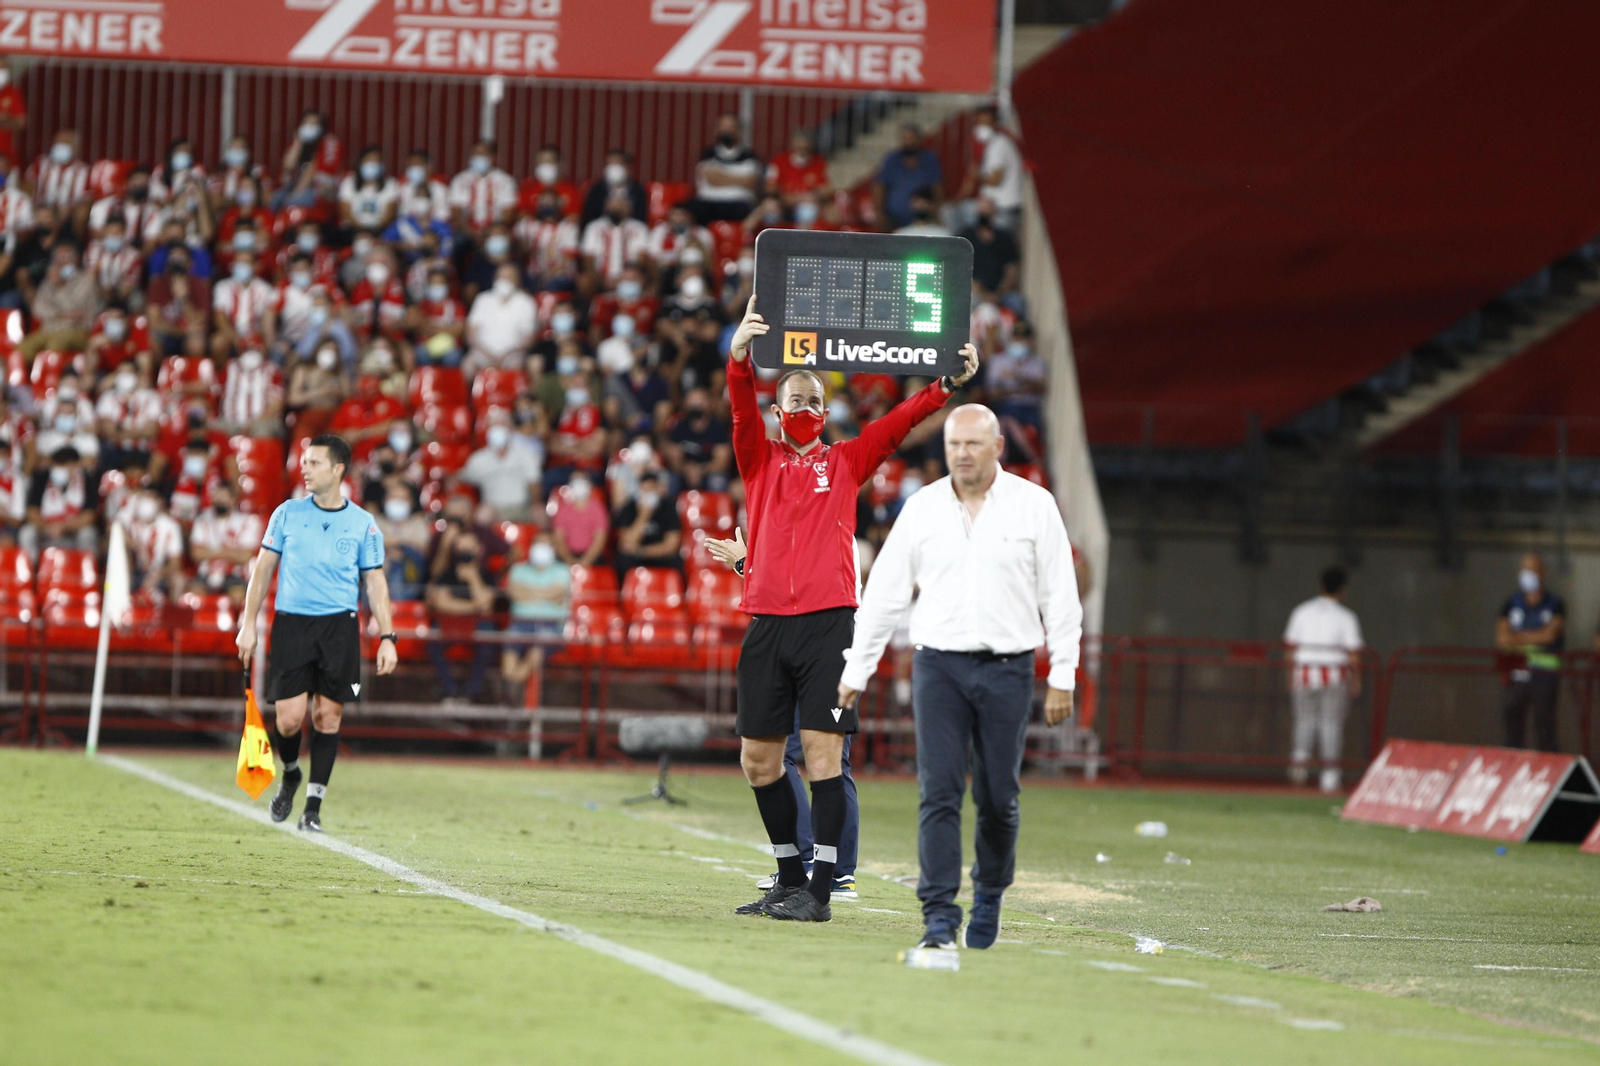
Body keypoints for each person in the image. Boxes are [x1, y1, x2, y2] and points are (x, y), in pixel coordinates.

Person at [725, 294, 978, 923]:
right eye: (796, 400)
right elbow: (737, 409)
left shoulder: (845, 462)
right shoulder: (758, 461)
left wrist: (943, 386)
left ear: (826, 411)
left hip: (830, 626)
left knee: (821, 757)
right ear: (777, 412)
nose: (807, 409)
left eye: (816, 401)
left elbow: (897, 424)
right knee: (758, 761)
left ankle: (820, 892)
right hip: (766, 627)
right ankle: (789, 877)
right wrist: (737, 360)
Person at [838, 404, 1080, 951]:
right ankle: (939, 916)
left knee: (998, 796)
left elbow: (1060, 595)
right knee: (938, 791)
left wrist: (1063, 670)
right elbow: (885, 594)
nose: (963, 454)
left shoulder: (1034, 506)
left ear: (998, 447)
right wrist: (858, 668)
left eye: (973, 444)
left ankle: (990, 891)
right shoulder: (921, 508)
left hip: (1008, 667)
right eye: (954, 445)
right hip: (938, 666)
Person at [236, 434, 397, 833]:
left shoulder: (363, 524)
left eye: (314, 463)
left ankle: (313, 808)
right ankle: (291, 773)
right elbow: (262, 571)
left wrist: (387, 637)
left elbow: (375, 583)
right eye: (304, 462)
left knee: (328, 716)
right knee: (289, 720)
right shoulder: (286, 513)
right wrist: (247, 624)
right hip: (292, 623)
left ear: (338, 469)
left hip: (339, 627)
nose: (304, 469)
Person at [708, 526, 862, 901]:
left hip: (814, 646)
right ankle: (838, 872)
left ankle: (810, 861)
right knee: (829, 760)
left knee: (790, 754)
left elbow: (790, 591)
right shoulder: (834, 524)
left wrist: (745, 563)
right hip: (832, 644)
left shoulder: (824, 528)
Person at [1283, 566, 1364, 793]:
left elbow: (1290, 648)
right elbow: (1353, 653)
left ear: (1320, 586)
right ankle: (1329, 775)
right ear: (1342, 589)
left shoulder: (1301, 611)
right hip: (1335, 677)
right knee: (1331, 725)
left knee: (1303, 720)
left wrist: (1290, 675)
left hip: (1304, 675)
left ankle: (1299, 765)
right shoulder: (1346, 617)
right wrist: (1357, 680)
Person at [1497, 554, 1563, 751]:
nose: (1527, 575)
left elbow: (1550, 636)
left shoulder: (1555, 604)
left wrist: (1517, 637)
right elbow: (1502, 638)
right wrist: (1535, 636)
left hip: (1544, 676)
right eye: (1524, 570)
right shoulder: (1511, 602)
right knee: (1512, 732)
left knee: (1544, 730)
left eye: (1532, 570)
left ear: (1543, 573)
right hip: (1516, 674)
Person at [424, 527, 498, 704]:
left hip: (478, 625)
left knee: (488, 638)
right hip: (449, 623)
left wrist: (473, 579)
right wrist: (474, 606)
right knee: (432, 640)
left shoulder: (486, 576)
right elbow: (440, 603)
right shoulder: (446, 574)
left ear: (478, 550)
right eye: (461, 548)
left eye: (469, 548)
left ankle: (471, 694)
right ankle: (449, 692)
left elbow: (487, 607)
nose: (464, 552)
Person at [501, 531, 570, 697]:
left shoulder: (562, 571)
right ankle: (513, 694)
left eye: (546, 544)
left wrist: (529, 593)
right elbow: (515, 593)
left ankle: (513, 693)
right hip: (520, 624)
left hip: (550, 626)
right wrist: (544, 594)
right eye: (538, 543)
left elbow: (557, 593)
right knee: (508, 659)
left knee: (535, 651)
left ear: (553, 548)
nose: (541, 548)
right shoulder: (518, 569)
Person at [460, 411, 543, 522]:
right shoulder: (479, 458)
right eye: (494, 426)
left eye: (501, 425)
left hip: (523, 507)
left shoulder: (526, 454)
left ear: (509, 429)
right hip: (494, 509)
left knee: (541, 515)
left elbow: (534, 483)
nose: (497, 430)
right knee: (482, 515)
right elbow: (463, 478)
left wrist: (536, 504)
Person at [953, 106, 1023, 233]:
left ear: (995, 124)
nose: (982, 127)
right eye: (980, 122)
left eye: (986, 123)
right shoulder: (991, 146)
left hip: (1002, 210)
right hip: (993, 209)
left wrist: (976, 174)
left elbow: (995, 179)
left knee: (951, 213)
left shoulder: (999, 145)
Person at [690, 113, 762, 224]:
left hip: (738, 205)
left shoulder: (749, 156)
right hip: (709, 204)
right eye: (723, 126)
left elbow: (751, 182)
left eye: (731, 126)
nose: (726, 130)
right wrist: (739, 180)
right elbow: (711, 178)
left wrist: (721, 177)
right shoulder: (708, 154)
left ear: (739, 131)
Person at [612, 470, 681, 578]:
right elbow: (626, 543)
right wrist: (643, 516)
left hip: (657, 555)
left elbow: (671, 545)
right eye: (644, 490)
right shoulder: (629, 508)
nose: (648, 495)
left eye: (651, 490)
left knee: (676, 562)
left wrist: (642, 551)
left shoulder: (668, 507)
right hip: (635, 558)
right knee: (622, 561)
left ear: (658, 489)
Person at [874, 124, 943, 231]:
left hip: (922, 216)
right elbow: (880, 186)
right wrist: (879, 211)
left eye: (911, 138)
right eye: (904, 138)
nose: (908, 142)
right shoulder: (892, 159)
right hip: (893, 218)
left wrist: (936, 208)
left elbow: (937, 187)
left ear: (919, 139)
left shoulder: (929, 159)